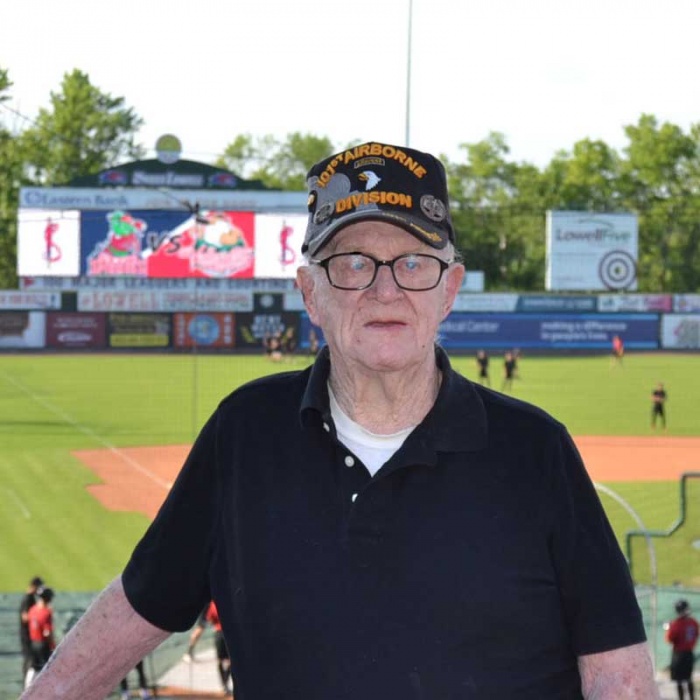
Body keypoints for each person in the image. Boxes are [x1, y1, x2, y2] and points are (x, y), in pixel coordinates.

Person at [20, 141, 659, 699]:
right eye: (352, 263)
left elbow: (617, 675)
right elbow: (142, 603)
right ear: (310, 295)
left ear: (450, 289)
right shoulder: (245, 434)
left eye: (413, 262)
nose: (386, 290)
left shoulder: (535, 452)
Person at [665, 599, 698, 700]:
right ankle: (692, 697)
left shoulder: (676, 624)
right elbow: (696, 635)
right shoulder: (694, 622)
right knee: (688, 679)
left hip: (679, 655)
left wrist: (669, 628)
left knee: (679, 680)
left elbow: (669, 639)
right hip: (689, 653)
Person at [25, 587, 55, 687]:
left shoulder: (33, 609)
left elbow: (27, 619)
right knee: (46, 669)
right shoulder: (46, 612)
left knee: (33, 666)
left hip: (33, 643)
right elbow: (47, 633)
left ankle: (27, 689)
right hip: (43, 645)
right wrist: (53, 644)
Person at [19, 576, 43, 681]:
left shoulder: (31, 598)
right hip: (27, 634)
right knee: (29, 658)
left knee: (31, 658)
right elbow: (24, 617)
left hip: (30, 634)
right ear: (34, 586)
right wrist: (36, 617)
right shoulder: (28, 598)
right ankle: (27, 684)